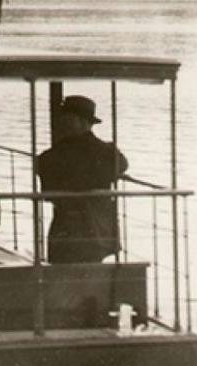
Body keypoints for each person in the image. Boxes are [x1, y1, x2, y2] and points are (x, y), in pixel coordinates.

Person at [36, 95, 128, 263]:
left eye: (67, 119)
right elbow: (122, 164)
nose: (63, 123)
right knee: (92, 271)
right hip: (99, 228)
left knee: (62, 272)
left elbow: (47, 188)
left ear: (78, 121)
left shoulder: (55, 155)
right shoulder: (106, 152)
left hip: (67, 226)